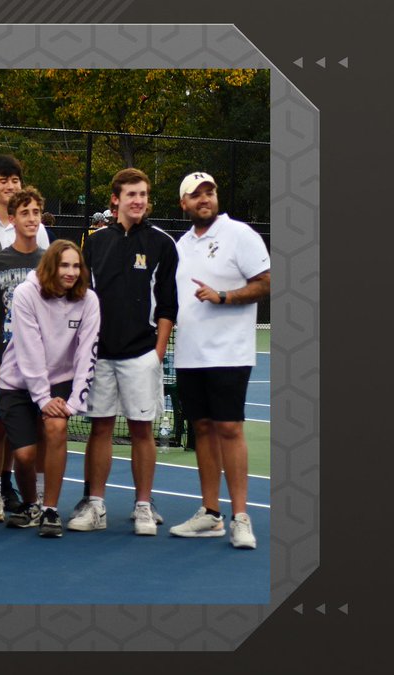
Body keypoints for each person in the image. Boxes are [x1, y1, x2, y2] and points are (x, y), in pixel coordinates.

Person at [71, 167, 177, 535]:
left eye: (143, 195)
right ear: (115, 199)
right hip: (100, 357)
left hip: (141, 355)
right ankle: (95, 505)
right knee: (99, 429)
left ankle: (143, 507)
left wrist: (156, 354)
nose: (138, 201)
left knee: (141, 431)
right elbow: (84, 301)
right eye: (131, 194)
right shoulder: (95, 243)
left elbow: (167, 306)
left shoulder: (163, 244)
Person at [168, 172, 270, 550]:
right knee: (203, 431)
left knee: (229, 430)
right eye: (196, 195)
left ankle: (241, 517)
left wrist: (224, 296)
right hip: (190, 355)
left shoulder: (240, 235)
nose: (204, 199)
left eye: (209, 192)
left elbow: (267, 281)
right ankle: (211, 514)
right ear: (184, 204)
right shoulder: (180, 246)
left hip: (229, 353)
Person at [0, 240, 100, 537]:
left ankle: (50, 510)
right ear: (51, 267)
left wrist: (73, 402)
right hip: (18, 381)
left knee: (56, 429)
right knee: (26, 456)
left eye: (76, 266)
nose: (70, 272)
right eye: (64, 265)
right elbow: (30, 349)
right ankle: (32, 504)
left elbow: (87, 352)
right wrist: (42, 397)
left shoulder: (89, 300)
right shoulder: (25, 293)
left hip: (61, 381)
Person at [0, 186, 48, 523]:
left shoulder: (48, 263)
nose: (32, 219)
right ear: (12, 219)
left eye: (36, 213)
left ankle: (36, 497)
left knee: (39, 428)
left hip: (40, 364)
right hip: (5, 361)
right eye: (25, 213)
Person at [0, 155, 50, 250]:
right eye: (3, 181)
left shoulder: (36, 228)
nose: (10, 187)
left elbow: (46, 263)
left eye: (15, 181)